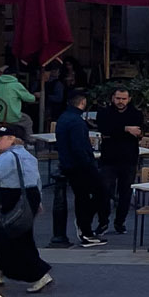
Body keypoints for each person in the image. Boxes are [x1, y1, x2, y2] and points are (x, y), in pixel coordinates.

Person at [0, 127, 52, 293]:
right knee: (13, 235)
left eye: (0, 138)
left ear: (11, 139)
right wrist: (37, 200)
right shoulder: (27, 156)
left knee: (13, 237)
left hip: (8, 198)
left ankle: (39, 273)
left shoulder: (8, 157)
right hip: (27, 196)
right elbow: (35, 178)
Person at [52, 87, 107, 247]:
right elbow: (78, 147)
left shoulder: (64, 118)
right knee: (99, 193)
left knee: (84, 196)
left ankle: (85, 227)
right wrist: (88, 163)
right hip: (80, 165)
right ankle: (85, 228)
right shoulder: (76, 122)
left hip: (69, 164)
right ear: (82, 103)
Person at [94, 85, 145, 235]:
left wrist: (119, 131)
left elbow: (138, 132)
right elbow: (105, 129)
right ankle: (103, 222)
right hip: (108, 158)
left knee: (125, 193)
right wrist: (126, 129)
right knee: (104, 191)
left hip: (129, 158)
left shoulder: (136, 113)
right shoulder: (104, 113)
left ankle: (120, 222)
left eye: (123, 99)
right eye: (118, 98)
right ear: (112, 98)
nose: (120, 101)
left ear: (129, 99)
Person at [0, 65, 36, 131]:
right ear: (14, 75)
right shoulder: (16, 85)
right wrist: (34, 95)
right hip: (11, 118)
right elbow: (31, 99)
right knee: (28, 121)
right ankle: (29, 140)